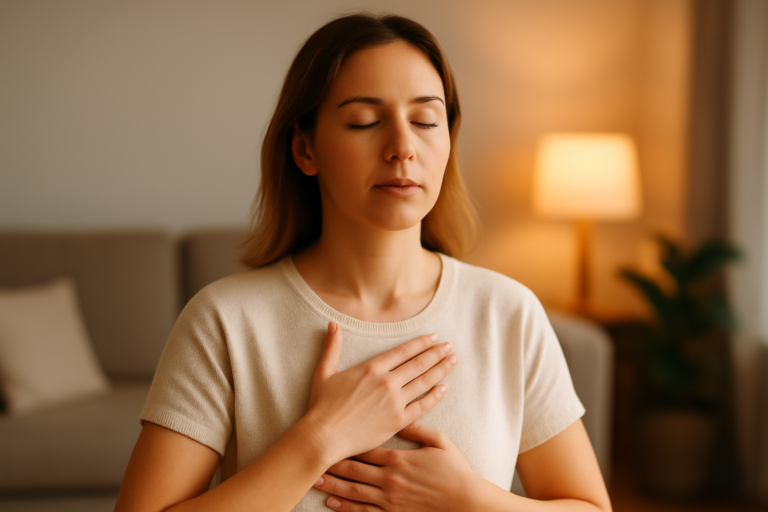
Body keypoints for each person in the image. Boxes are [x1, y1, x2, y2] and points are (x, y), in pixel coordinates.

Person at [115, 13, 611, 512]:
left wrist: (469, 500)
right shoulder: (224, 320)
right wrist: (319, 438)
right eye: (364, 122)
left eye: (424, 121)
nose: (402, 148)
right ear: (305, 149)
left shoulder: (508, 313)